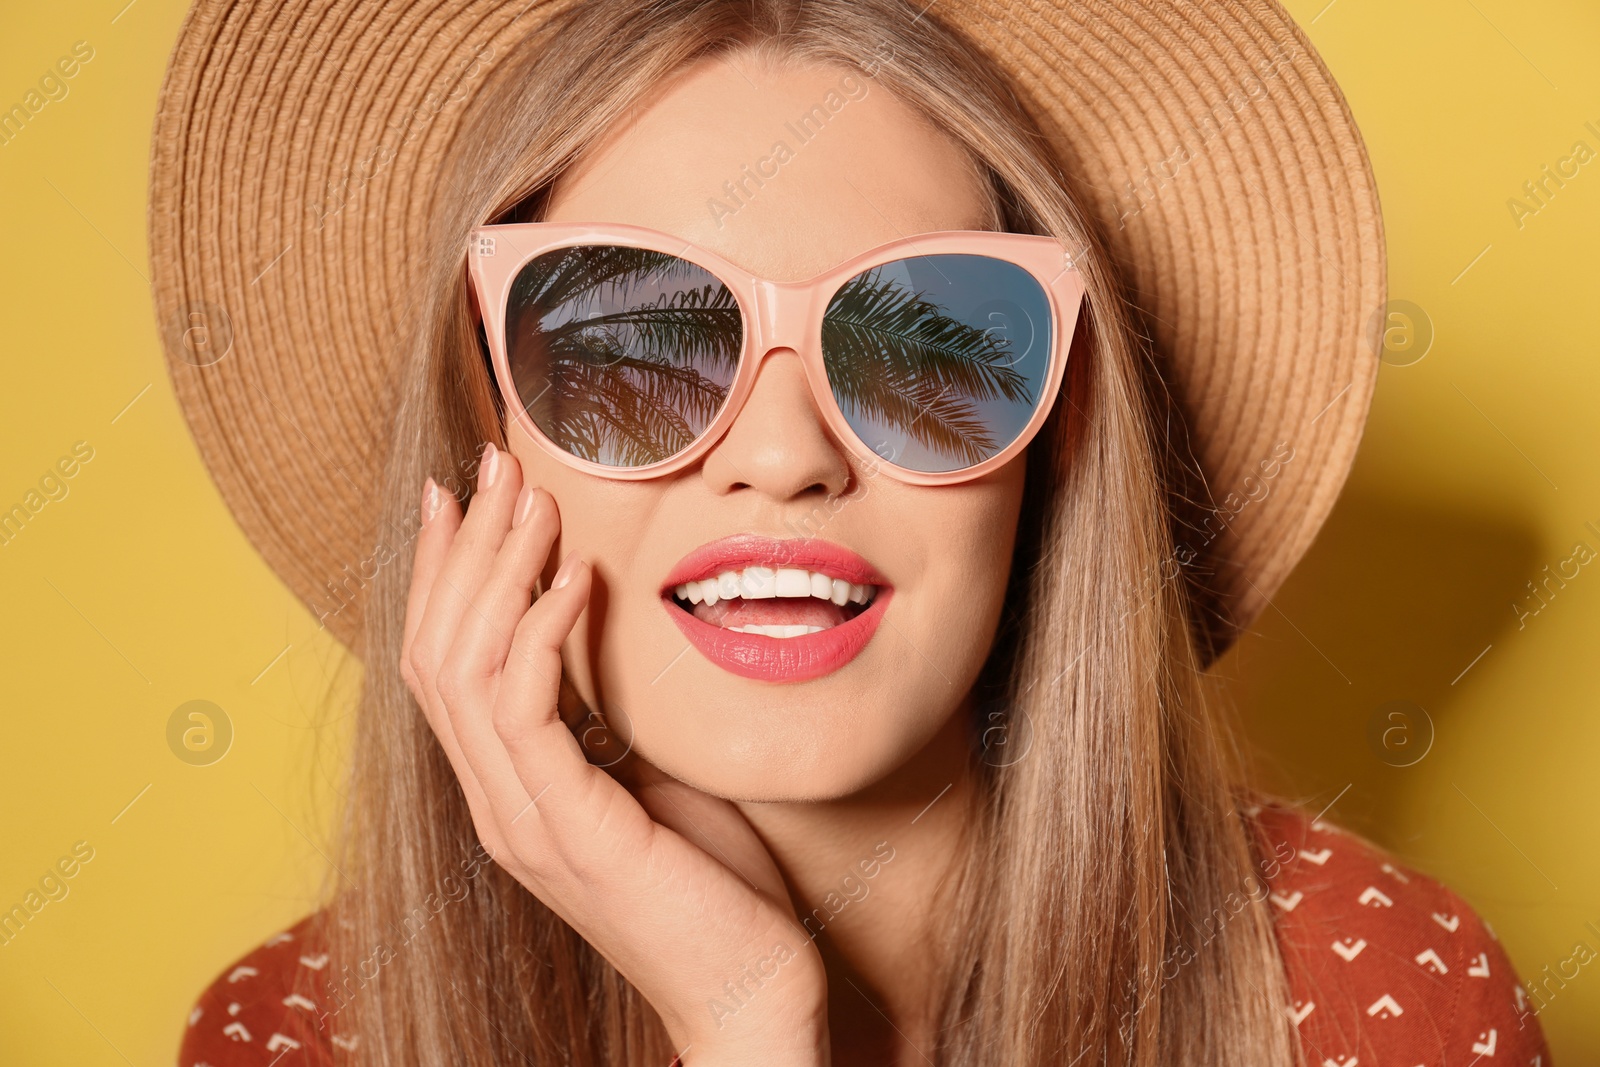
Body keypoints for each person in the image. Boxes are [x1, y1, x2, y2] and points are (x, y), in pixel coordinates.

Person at [149, 0, 1552, 1063]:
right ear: (489, 423)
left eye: (929, 349)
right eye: (636, 333)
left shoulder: (1365, 1001)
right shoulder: (302, 1033)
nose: (782, 454)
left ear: (1057, 435)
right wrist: (747, 1013)